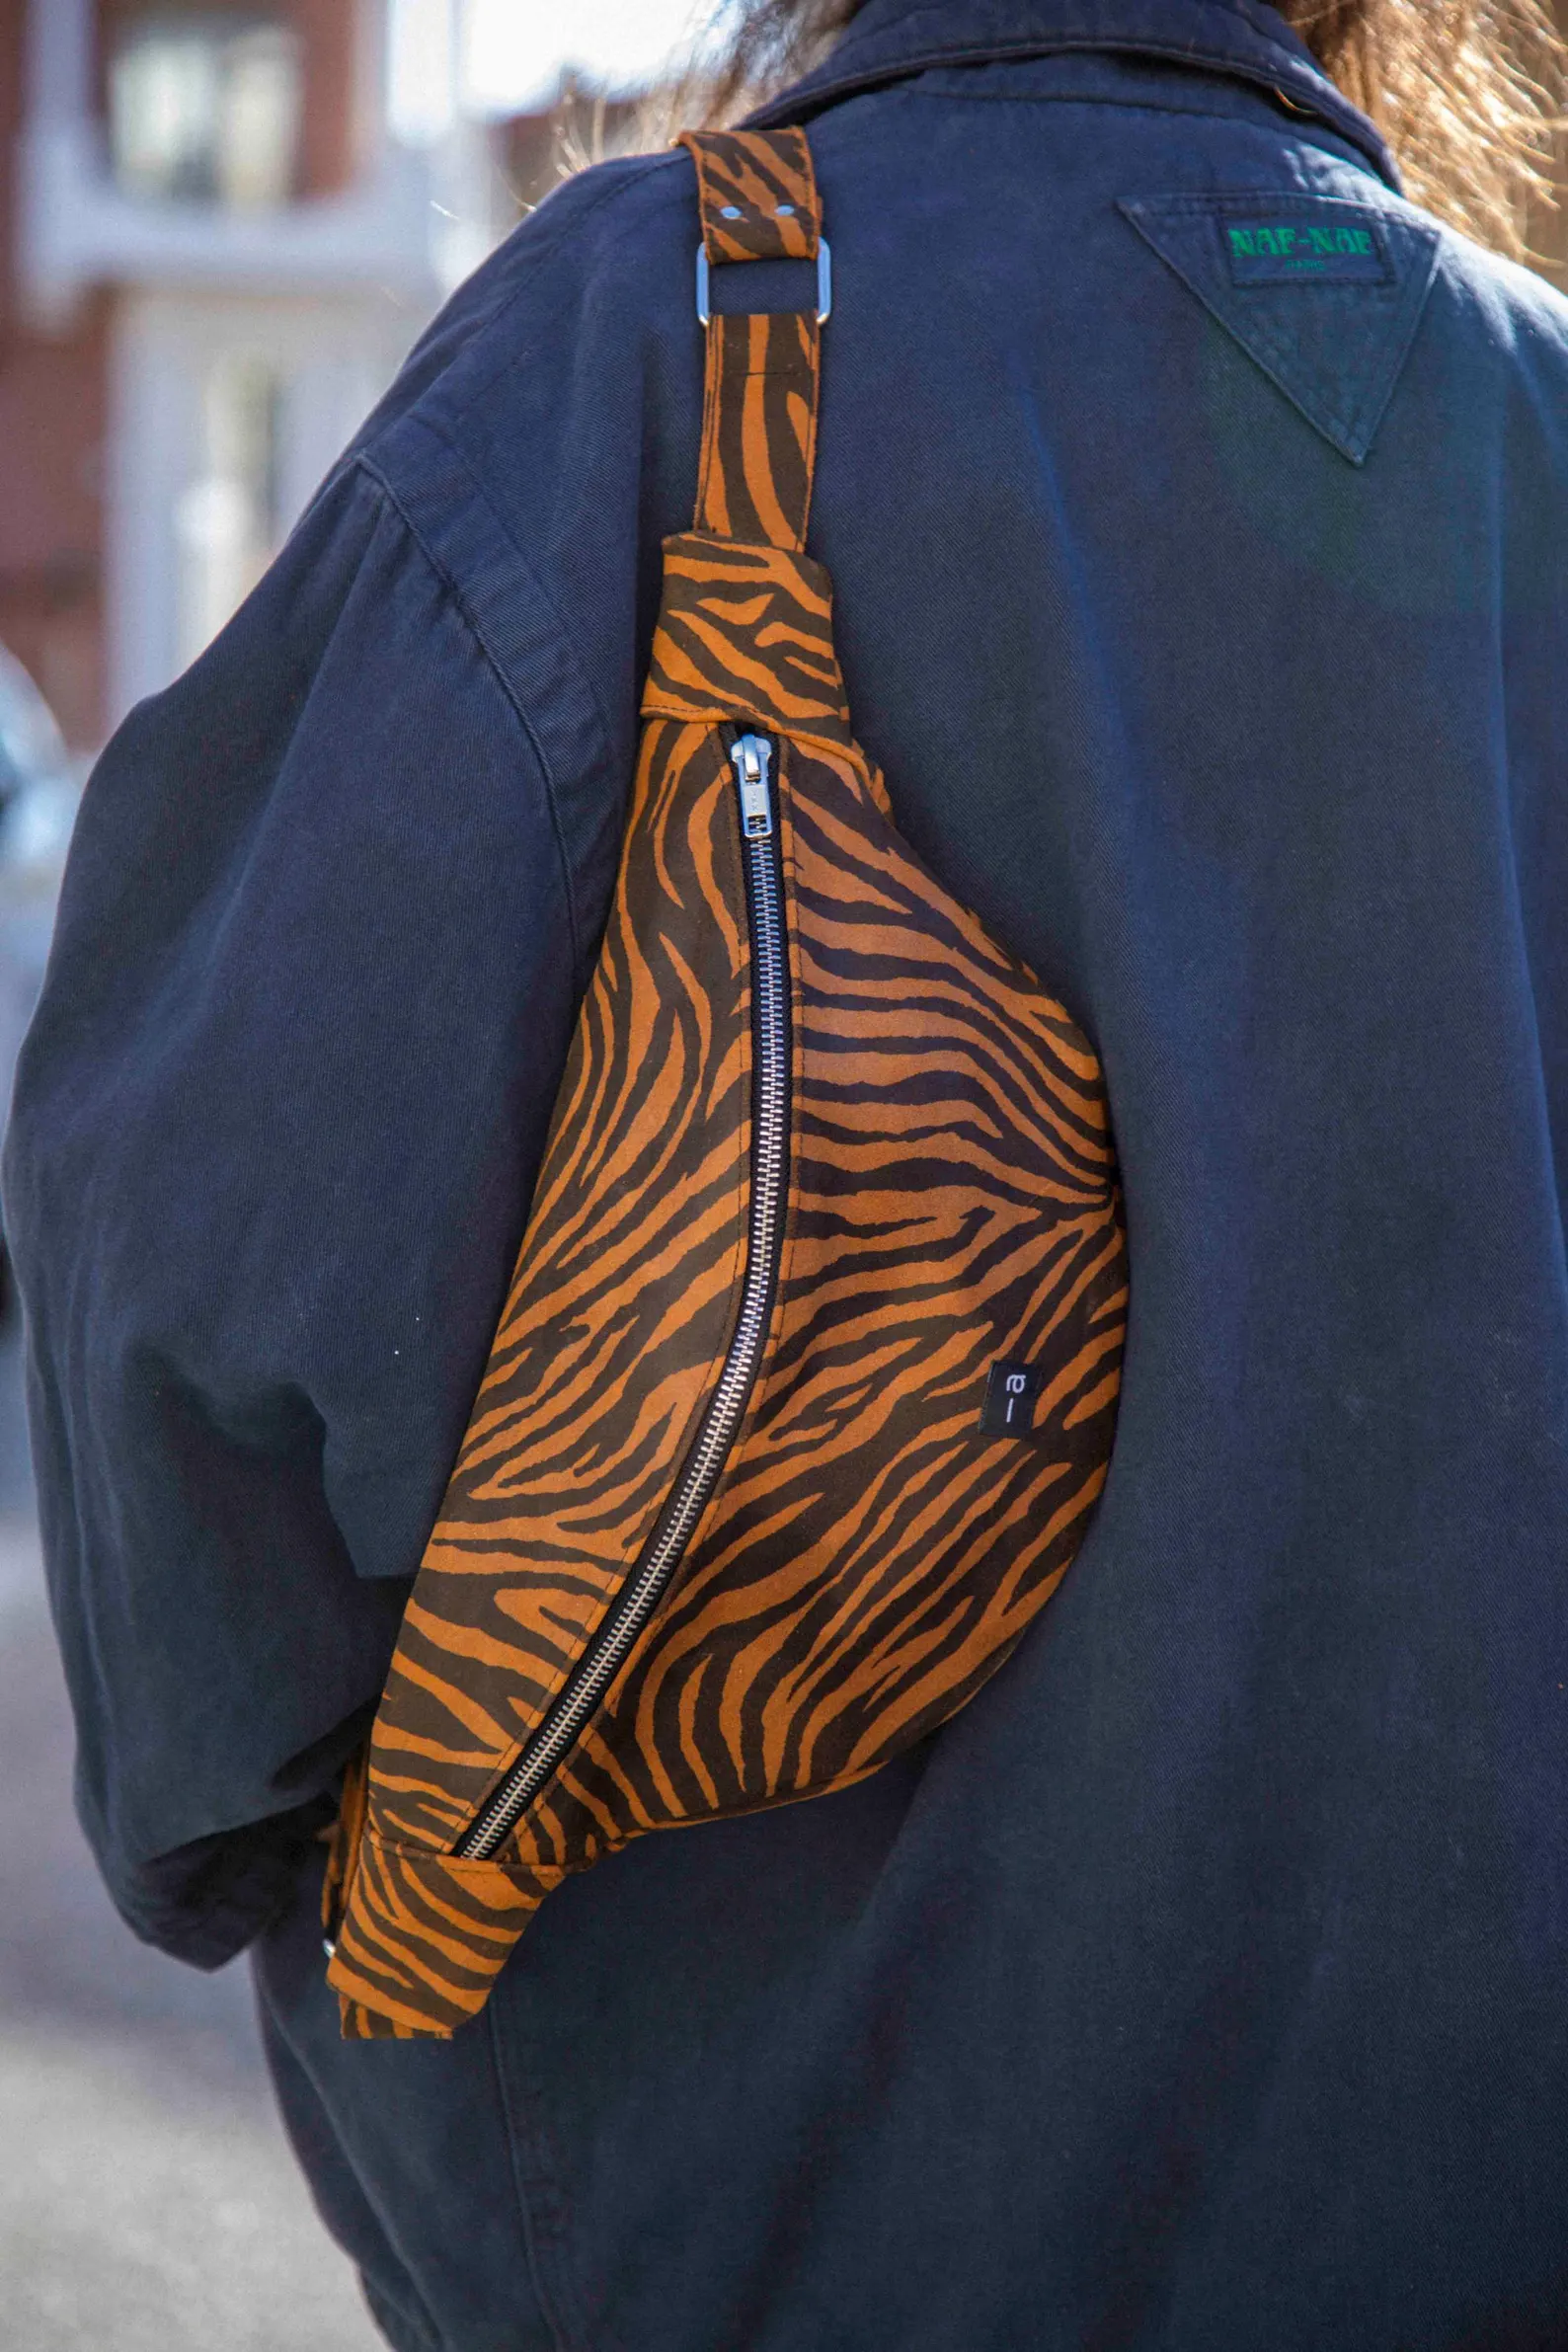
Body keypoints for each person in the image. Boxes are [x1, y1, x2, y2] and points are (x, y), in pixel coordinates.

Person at [8, 1, 1568, 2343]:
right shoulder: (1535, 416)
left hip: (738, 2215)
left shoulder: (644, 344)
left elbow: (194, 1268)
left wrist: (295, 1850)